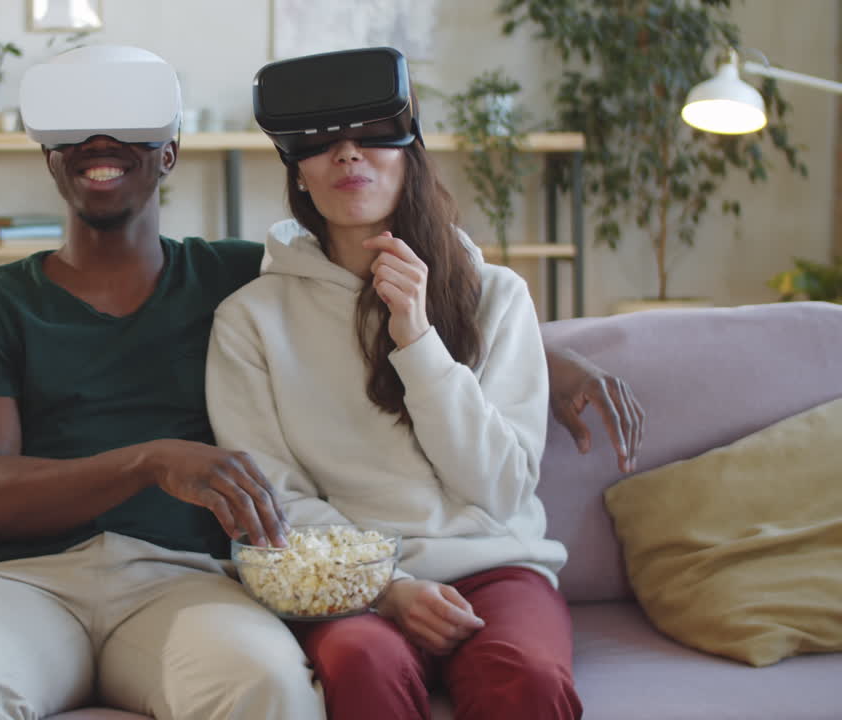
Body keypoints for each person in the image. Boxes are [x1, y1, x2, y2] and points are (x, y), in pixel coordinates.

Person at [0, 45, 641, 720]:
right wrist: (153, 460)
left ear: (171, 152)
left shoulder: (236, 276)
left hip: (183, 580)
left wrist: (550, 355)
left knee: (273, 690)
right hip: (20, 583)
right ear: (49, 157)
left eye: (126, 129)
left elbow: (381, 276)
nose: (100, 148)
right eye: (76, 134)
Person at [205, 47, 621, 720]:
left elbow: (503, 486)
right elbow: (276, 499)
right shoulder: (249, 321)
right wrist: (387, 587)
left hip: (497, 566)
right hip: (349, 582)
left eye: (373, 136)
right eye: (322, 142)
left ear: (412, 155)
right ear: (298, 173)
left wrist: (418, 342)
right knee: (363, 666)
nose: (348, 155)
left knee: (530, 680)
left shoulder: (497, 297)